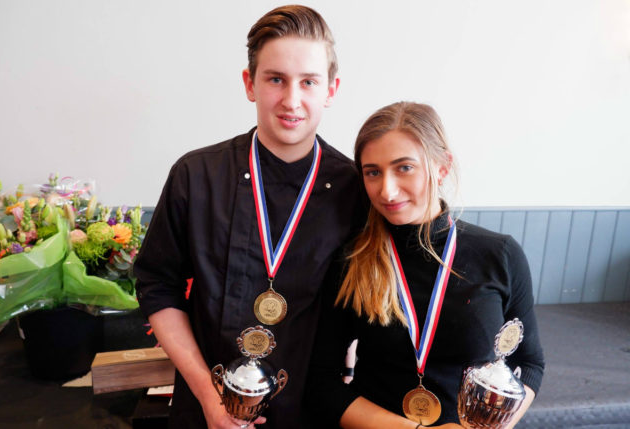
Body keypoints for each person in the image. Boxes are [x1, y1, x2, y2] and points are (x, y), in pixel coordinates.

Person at [133, 5, 363, 429]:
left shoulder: (356, 190)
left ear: (330, 89)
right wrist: (209, 397)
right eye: (276, 79)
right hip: (205, 410)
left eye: (308, 82)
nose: (291, 100)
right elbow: (157, 287)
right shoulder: (196, 175)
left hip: (313, 411)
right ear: (249, 83)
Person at [305, 102, 544, 428]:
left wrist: (488, 426)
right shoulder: (352, 260)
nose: (387, 191)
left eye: (404, 167)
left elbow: (528, 364)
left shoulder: (500, 254)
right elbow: (321, 382)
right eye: (373, 172)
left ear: (442, 167)